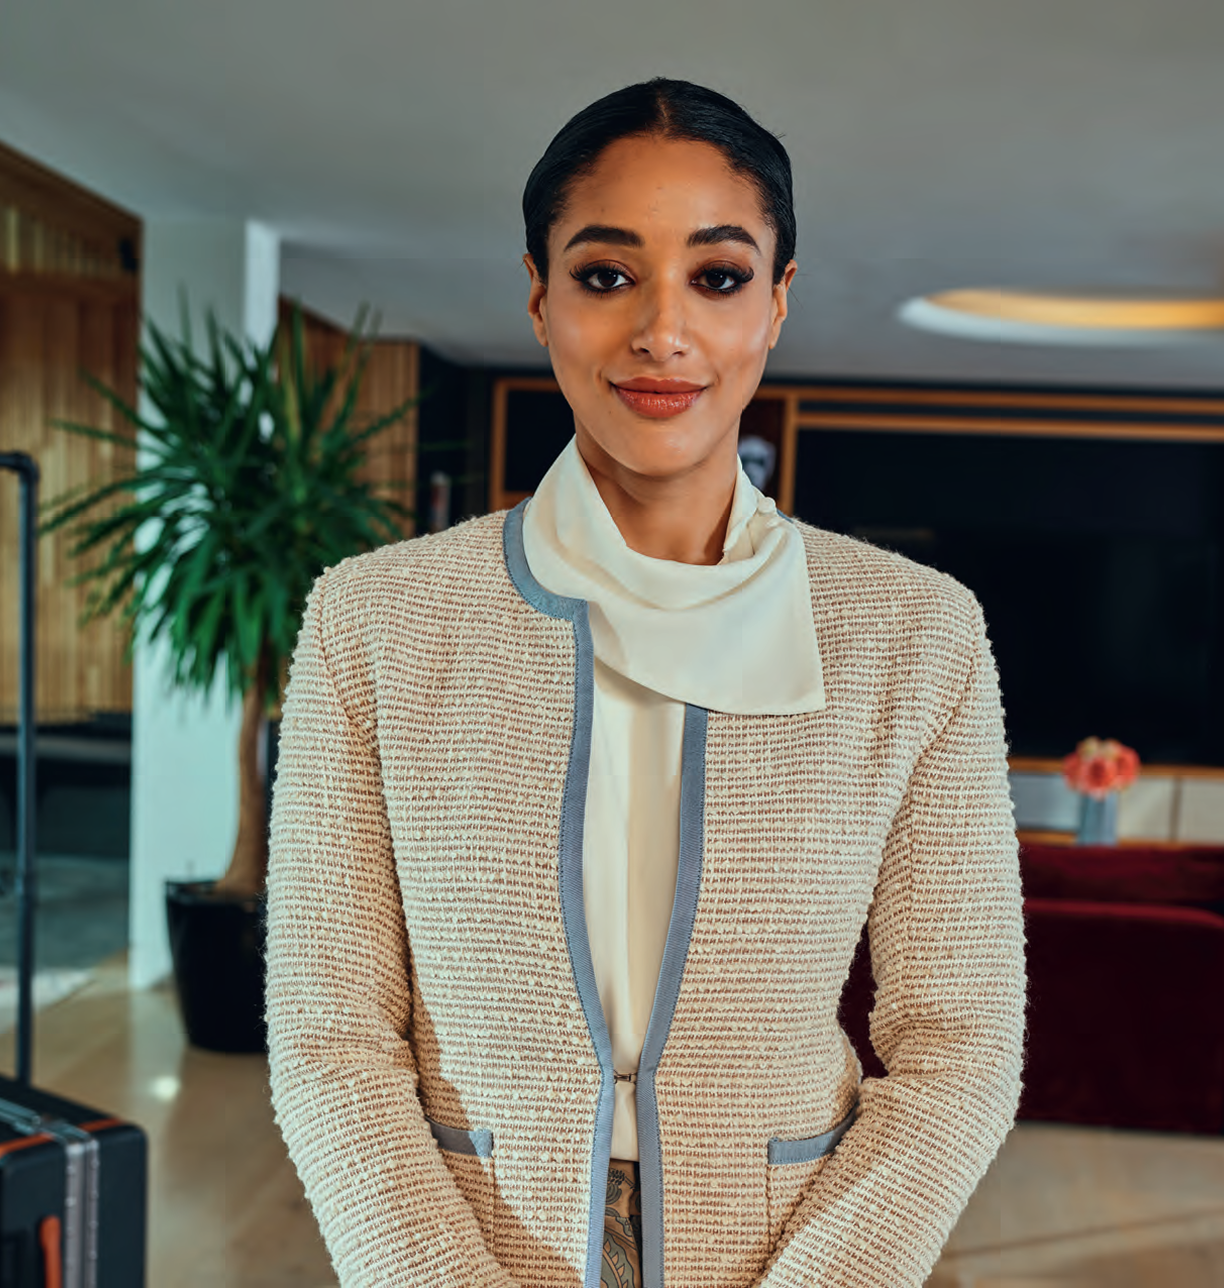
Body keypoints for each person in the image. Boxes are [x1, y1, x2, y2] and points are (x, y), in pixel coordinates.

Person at [265, 77, 1026, 1288]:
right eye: (606, 275)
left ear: (775, 306)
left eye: (717, 278)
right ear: (539, 297)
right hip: (464, 1242)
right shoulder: (377, 619)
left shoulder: (916, 635)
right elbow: (330, 1037)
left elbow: (960, 1046)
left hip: (788, 1248)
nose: (661, 332)